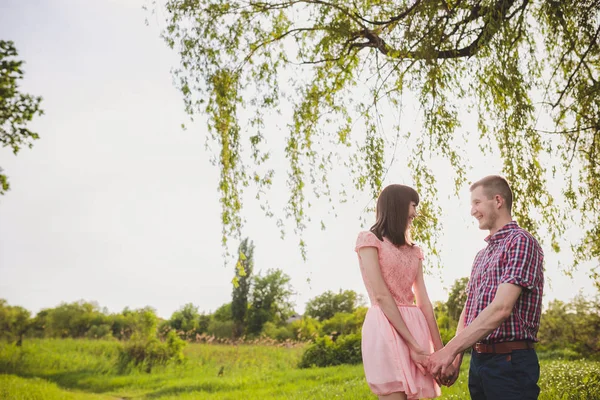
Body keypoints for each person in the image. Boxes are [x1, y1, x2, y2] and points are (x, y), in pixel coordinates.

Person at [429, 175, 544, 399]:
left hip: (510, 363)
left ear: (498, 201)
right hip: (479, 362)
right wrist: (456, 359)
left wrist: (448, 350)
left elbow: (501, 308)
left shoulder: (520, 241)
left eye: (477, 202)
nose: (472, 211)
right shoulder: (481, 255)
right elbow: (469, 310)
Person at [355, 184, 442, 400]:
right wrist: (413, 344)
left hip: (415, 324)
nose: (415, 212)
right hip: (386, 324)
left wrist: (441, 353)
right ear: (398, 206)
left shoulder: (414, 251)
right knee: (393, 394)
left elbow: (424, 303)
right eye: (413, 205)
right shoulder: (369, 240)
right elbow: (382, 296)